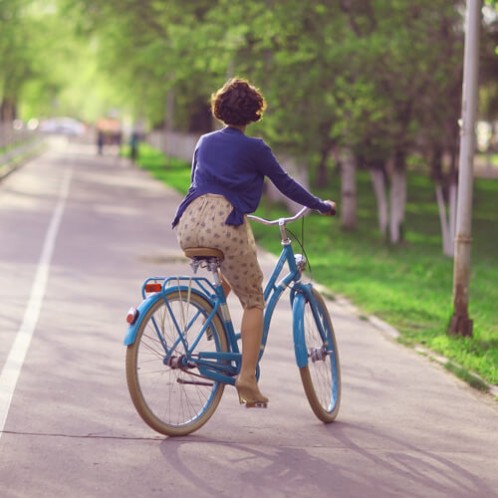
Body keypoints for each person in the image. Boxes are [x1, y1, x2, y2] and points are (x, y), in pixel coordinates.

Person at [172, 78, 335, 408]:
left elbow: (196, 182)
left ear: (219, 109)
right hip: (225, 225)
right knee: (254, 299)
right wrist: (319, 204)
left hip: (189, 224)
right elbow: (285, 184)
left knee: (231, 274)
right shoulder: (255, 148)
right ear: (254, 113)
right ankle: (246, 377)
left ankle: (210, 317)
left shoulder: (204, 141)